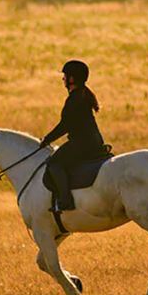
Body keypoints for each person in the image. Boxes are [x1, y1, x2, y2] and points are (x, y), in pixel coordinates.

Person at [40, 60, 107, 212]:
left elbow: (65, 125)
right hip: (93, 141)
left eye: (65, 75)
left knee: (54, 164)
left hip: (82, 143)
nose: (63, 78)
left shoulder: (75, 99)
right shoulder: (83, 95)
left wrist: (47, 139)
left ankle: (65, 200)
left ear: (71, 79)